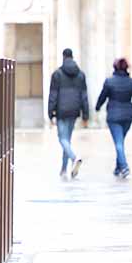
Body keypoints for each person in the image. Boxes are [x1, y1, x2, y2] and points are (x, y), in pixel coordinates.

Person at [48, 48, 89, 179]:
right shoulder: (81, 75)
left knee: (62, 139)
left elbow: (53, 95)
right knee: (67, 140)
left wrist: (50, 112)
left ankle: (73, 157)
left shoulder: (57, 74)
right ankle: (64, 169)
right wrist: (85, 115)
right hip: (74, 110)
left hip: (61, 111)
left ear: (63, 57)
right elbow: (84, 96)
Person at [96, 57, 132, 178]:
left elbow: (103, 96)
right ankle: (118, 167)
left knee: (118, 142)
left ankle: (124, 166)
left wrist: (98, 107)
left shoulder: (109, 81)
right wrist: (130, 107)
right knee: (120, 141)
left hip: (113, 115)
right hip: (127, 116)